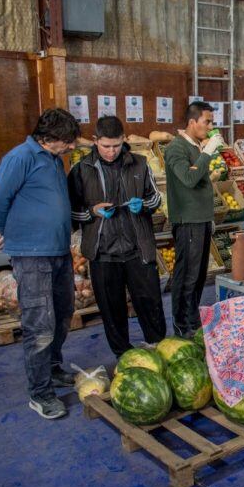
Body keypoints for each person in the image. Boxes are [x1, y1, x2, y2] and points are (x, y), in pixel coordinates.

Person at [0, 108, 80, 420]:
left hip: (58, 252)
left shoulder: (53, 159)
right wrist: (4, 231)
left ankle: (53, 369)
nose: (72, 147)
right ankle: (40, 393)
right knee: (39, 325)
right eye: (68, 141)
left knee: (64, 311)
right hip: (32, 254)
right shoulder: (20, 157)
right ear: (49, 138)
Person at [68, 116, 166, 357]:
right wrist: (92, 212)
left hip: (137, 249)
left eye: (116, 145)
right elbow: (70, 212)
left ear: (123, 140)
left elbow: (156, 198)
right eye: (105, 146)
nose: (111, 152)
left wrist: (142, 205)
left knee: (150, 303)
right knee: (112, 311)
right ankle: (124, 356)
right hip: (103, 253)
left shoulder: (141, 164)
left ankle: (159, 349)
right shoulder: (81, 170)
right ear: (95, 141)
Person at [164, 101, 224, 337]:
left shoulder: (195, 147)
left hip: (201, 219)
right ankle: (181, 326)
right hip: (187, 220)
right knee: (187, 274)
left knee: (198, 275)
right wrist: (208, 151)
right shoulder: (176, 149)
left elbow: (196, 180)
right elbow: (188, 180)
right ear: (192, 122)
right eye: (206, 122)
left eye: (212, 122)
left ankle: (192, 320)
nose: (210, 127)